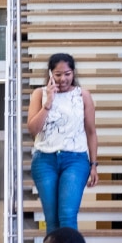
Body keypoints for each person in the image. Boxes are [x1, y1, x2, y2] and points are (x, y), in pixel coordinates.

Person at [26, 52, 99, 232]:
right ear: (50, 74)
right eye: (58, 74)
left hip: (75, 160)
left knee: (67, 215)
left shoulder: (83, 96)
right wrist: (48, 102)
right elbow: (33, 130)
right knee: (52, 219)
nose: (63, 79)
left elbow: (91, 131)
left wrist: (94, 165)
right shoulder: (39, 94)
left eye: (67, 74)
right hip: (44, 160)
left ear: (73, 73)